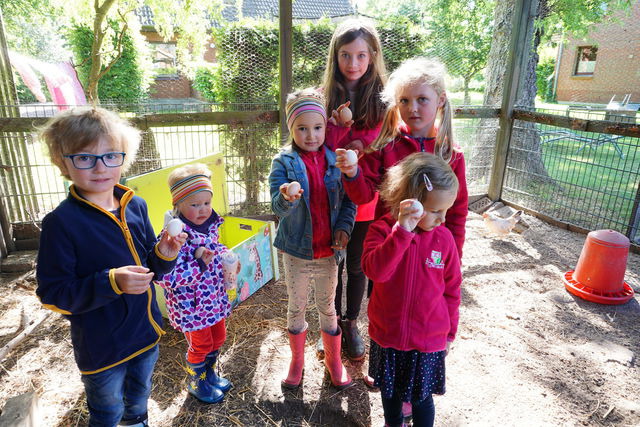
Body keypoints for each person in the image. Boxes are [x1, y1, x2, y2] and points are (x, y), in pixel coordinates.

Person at [36, 107, 185, 427]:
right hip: (102, 348)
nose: (101, 167)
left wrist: (165, 252)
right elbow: (53, 293)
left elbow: (151, 270)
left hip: (145, 334)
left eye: (110, 156)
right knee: (106, 411)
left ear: (124, 156)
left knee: (138, 398)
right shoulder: (61, 224)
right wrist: (111, 281)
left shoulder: (136, 206)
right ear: (63, 162)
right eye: (85, 158)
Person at [362, 152, 462, 427]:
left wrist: (450, 333)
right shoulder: (382, 231)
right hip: (388, 335)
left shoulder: (443, 239)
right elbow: (376, 271)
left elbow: (452, 289)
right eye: (435, 210)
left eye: (446, 210)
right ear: (410, 203)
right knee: (390, 395)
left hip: (427, 338)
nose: (443, 219)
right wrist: (402, 231)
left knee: (422, 399)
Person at [336, 57, 468, 260]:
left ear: (440, 100)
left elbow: (457, 211)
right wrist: (352, 173)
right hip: (389, 248)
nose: (412, 108)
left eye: (422, 99)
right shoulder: (386, 145)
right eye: (404, 100)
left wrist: (453, 258)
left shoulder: (451, 154)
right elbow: (362, 196)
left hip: (430, 254)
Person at [269, 88, 356, 390]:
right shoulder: (283, 163)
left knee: (328, 306)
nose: (311, 135)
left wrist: (344, 228)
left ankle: (333, 360)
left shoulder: (337, 159)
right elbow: (275, 205)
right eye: (302, 129)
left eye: (317, 127)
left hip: (329, 253)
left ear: (325, 127)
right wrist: (286, 199)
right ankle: (297, 361)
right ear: (291, 129)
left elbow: (349, 202)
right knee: (296, 305)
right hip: (297, 252)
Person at [321, 18, 387, 361]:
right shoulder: (323, 96)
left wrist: (354, 139)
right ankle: (329, 324)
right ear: (336, 57)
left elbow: (374, 145)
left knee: (358, 264)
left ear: (373, 57)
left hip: (363, 198)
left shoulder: (382, 100)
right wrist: (339, 131)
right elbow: (319, 147)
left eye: (361, 56)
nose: (353, 64)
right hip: (329, 198)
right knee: (333, 262)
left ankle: (350, 323)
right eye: (346, 55)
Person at [155, 164, 236, 404]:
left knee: (218, 338)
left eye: (206, 203)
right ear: (177, 205)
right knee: (200, 345)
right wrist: (200, 264)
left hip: (213, 299)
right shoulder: (173, 237)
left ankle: (208, 375)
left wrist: (227, 257)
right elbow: (167, 278)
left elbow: (215, 248)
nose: (202, 210)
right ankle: (194, 380)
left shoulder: (210, 225)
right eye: (194, 205)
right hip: (191, 305)